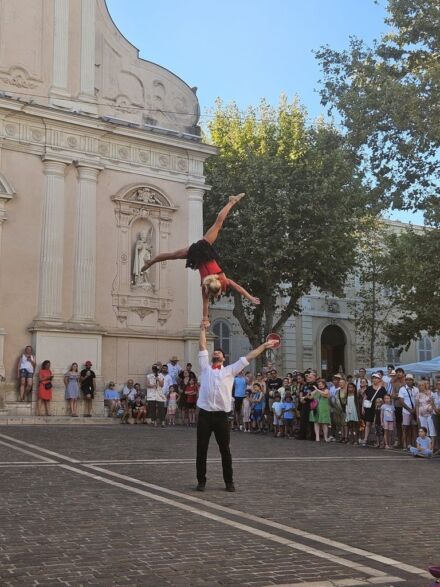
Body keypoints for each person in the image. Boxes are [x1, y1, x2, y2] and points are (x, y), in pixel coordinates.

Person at [141, 194, 260, 324]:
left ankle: (231, 202)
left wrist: (249, 297)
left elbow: (229, 292)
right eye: (217, 294)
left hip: (201, 249)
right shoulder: (209, 285)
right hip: (199, 252)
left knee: (217, 225)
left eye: (216, 294)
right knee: (173, 255)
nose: (217, 296)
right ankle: (232, 202)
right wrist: (250, 297)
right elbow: (209, 301)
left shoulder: (216, 282)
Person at [196, 321, 277, 492]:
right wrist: (202, 329)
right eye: (215, 352)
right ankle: (201, 481)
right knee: (201, 449)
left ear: (223, 358)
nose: (216, 352)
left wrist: (264, 345)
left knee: (225, 449)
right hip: (204, 414)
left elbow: (250, 356)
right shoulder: (205, 368)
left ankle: (229, 482)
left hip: (221, 416)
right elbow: (202, 344)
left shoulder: (231, 370)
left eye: (219, 352)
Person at [361, 373, 386, 445]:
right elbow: (365, 398)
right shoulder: (369, 388)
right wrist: (362, 407)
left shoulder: (382, 388)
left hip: (378, 409)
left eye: (376, 378)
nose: (374, 379)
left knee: (378, 424)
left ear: (379, 379)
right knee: (368, 423)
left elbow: (384, 399)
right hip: (369, 408)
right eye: (373, 378)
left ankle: (377, 440)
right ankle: (365, 439)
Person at [399, 373, 419, 448]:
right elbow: (401, 401)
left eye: (410, 380)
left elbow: (417, 400)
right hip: (406, 411)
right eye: (407, 380)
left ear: (413, 381)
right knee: (405, 428)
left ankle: (414, 444)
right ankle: (405, 444)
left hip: (414, 411)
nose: (409, 381)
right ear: (405, 380)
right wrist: (409, 409)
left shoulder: (416, 389)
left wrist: (414, 409)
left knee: (414, 428)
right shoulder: (402, 389)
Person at [309, 378, 331, 442]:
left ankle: (325, 437)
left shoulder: (326, 390)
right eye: (318, 384)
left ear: (324, 384)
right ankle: (317, 437)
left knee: (324, 423)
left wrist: (317, 389)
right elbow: (310, 396)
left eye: (321, 384)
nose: (320, 385)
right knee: (316, 423)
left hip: (324, 409)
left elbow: (325, 394)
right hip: (316, 409)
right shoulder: (317, 390)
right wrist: (314, 391)